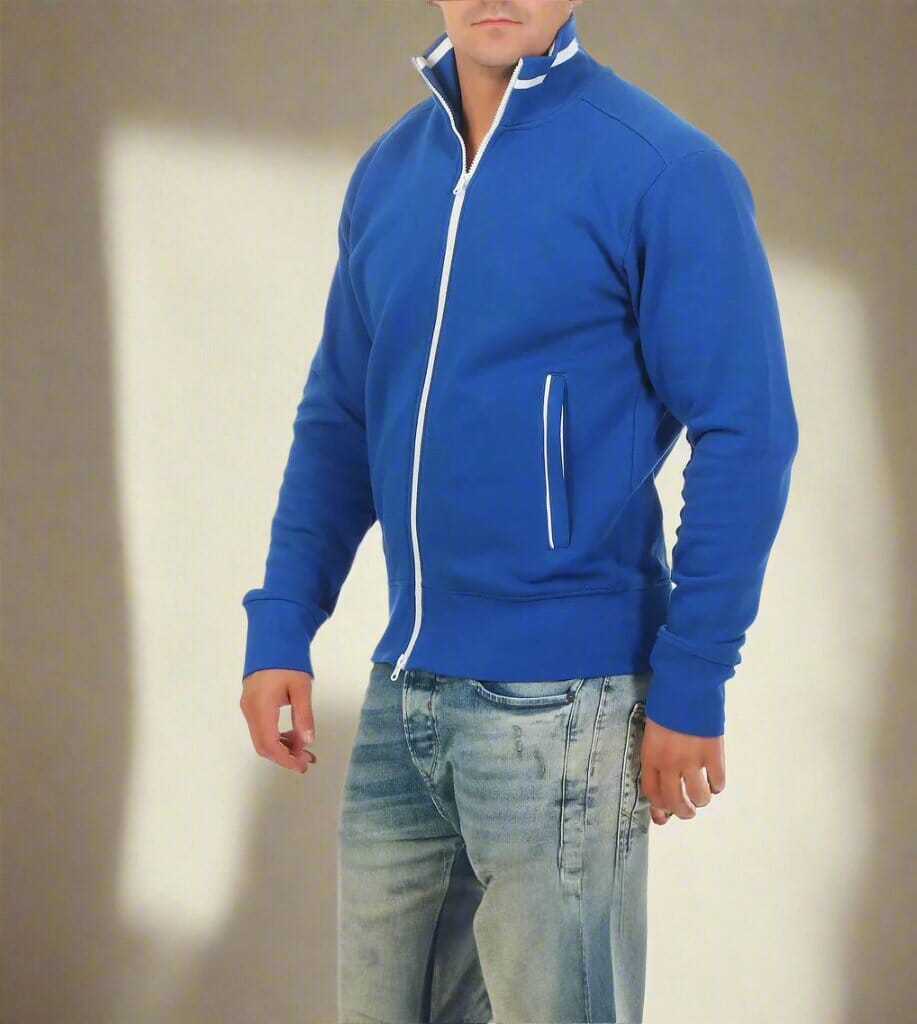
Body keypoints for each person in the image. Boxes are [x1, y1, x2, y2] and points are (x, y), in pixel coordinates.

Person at [238, 2, 799, 1021]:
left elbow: (747, 430)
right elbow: (341, 416)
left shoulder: (664, 171)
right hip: (404, 693)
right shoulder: (390, 172)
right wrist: (283, 616)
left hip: (566, 704)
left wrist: (694, 675)